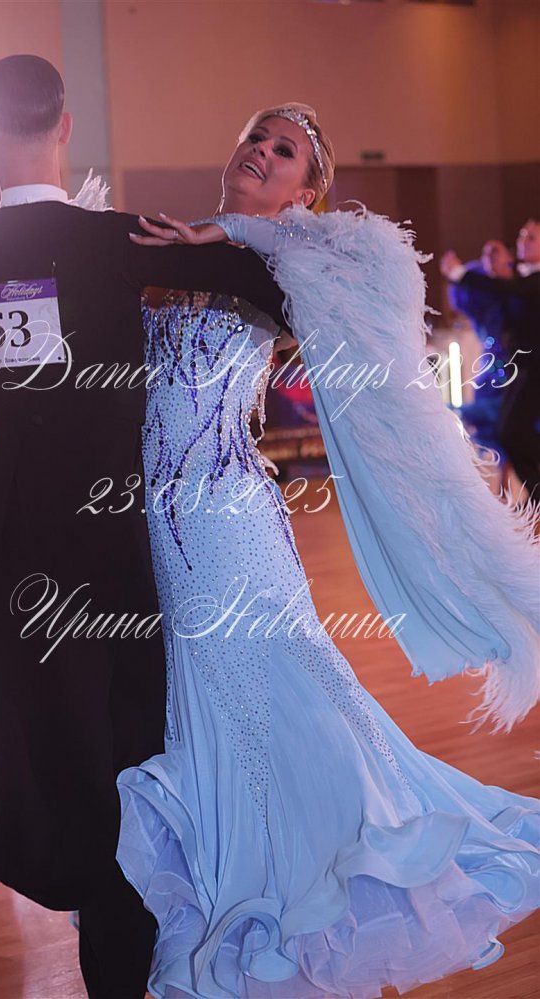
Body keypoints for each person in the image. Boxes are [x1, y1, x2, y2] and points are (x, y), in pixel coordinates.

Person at [0, 55, 287, 999]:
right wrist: (222, 229)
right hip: (110, 542)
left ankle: (76, 890)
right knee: (124, 747)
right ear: (65, 128)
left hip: (9, 545)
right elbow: (272, 277)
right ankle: (119, 942)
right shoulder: (118, 240)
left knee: (45, 743)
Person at [117, 105, 539, 997]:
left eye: (285, 152)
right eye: (256, 137)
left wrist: (239, 228)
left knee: (270, 700)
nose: (260, 153)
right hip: (162, 516)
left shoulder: (288, 262)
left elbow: (372, 262)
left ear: (306, 192)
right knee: (238, 701)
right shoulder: (167, 246)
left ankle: (284, 896)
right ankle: (251, 881)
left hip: (221, 517)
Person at [441, 220, 540, 507]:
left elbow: (508, 290)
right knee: (508, 434)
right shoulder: (512, 283)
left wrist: (460, 273)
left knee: (511, 433)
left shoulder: (523, 284)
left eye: (531, 237)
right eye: (521, 235)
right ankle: (532, 499)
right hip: (507, 370)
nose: (522, 240)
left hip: (527, 371)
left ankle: (530, 499)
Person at [446, 239, 514, 465]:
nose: (490, 257)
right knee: (495, 420)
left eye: (495, 252)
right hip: (494, 361)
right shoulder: (480, 289)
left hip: (517, 363)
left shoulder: (518, 286)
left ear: (509, 257)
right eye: (486, 253)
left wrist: (457, 273)